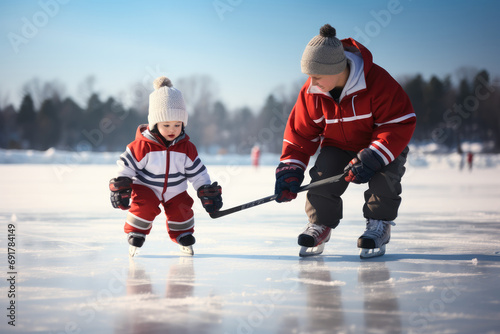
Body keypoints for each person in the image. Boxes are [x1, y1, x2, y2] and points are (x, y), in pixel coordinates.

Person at [274, 24, 416, 258]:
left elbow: (399, 123)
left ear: (336, 69)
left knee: (384, 182)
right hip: (338, 146)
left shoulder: (378, 82)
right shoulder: (312, 93)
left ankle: (379, 225)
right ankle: (320, 224)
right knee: (322, 178)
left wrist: (374, 155)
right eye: (309, 75)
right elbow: (300, 136)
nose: (312, 81)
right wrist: (290, 169)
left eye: (316, 75)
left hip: (381, 148)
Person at [109, 76, 223, 256]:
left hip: (175, 189)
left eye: (177, 125)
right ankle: (136, 232)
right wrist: (121, 184)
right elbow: (127, 164)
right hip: (147, 187)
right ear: (155, 124)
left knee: (182, 207)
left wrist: (205, 189)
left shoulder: (186, 148)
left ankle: (183, 234)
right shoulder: (142, 146)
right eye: (167, 125)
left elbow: (198, 172)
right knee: (143, 205)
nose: (172, 129)